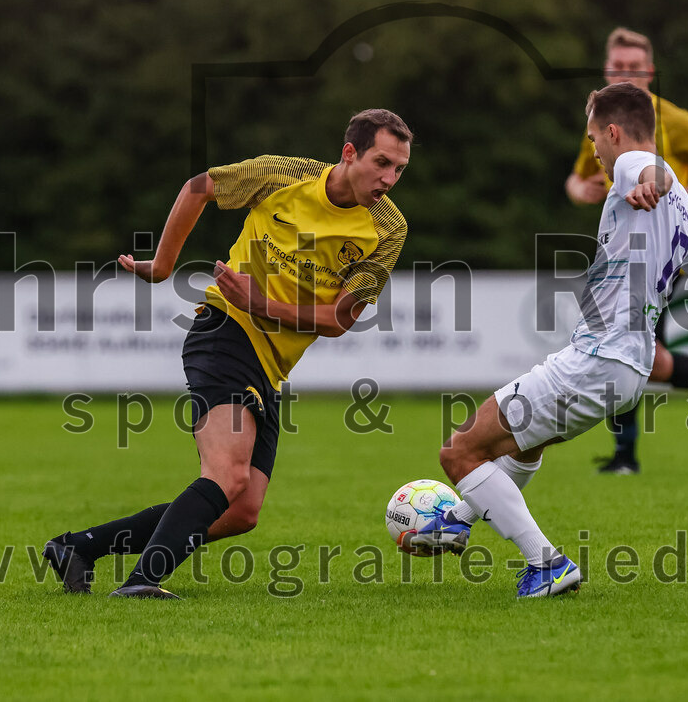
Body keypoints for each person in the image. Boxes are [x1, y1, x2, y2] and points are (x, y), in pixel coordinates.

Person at [412, 83, 688, 598]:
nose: (594, 153)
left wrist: (654, 177)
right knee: (527, 444)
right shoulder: (687, 216)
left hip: (598, 358)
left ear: (613, 131)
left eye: (593, 140)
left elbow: (652, 168)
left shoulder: (636, 168)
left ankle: (546, 564)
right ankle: (456, 519)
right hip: (629, 371)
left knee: (458, 453)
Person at [44, 109, 412, 598]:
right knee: (227, 474)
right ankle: (141, 584)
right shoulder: (286, 175)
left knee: (241, 511)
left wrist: (259, 301)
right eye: (381, 162)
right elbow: (200, 186)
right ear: (349, 153)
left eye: (399, 169)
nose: (388, 179)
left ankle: (80, 548)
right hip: (224, 330)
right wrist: (162, 265)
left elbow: (339, 320)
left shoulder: (388, 228)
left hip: (269, 365)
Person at [566, 27, 688, 475]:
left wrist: (673, 199)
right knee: (647, 356)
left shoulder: (674, 120)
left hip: (659, 253)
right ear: (607, 70)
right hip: (620, 247)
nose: (627, 74)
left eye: (634, 67)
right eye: (618, 67)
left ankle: (625, 455)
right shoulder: (602, 124)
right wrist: (582, 190)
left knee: (624, 343)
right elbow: (578, 179)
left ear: (651, 72)